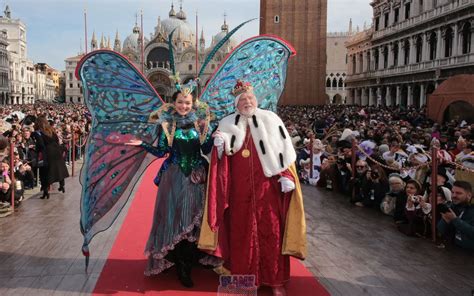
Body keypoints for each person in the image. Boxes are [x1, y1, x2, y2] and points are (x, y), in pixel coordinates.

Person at [198, 80, 306, 296]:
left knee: (272, 233)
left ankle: (275, 280)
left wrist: (286, 175)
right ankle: (244, 279)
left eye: (250, 98)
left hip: (268, 190)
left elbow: (284, 150)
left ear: (256, 100)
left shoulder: (271, 119)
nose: (247, 102)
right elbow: (219, 161)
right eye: (242, 100)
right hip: (239, 192)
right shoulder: (227, 123)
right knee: (240, 234)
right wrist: (219, 145)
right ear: (236, 104)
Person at [125, 88, 215, 288]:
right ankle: (180, 262)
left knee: (195, 218)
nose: (184, 106)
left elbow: (207, 149)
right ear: (174, 103)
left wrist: (212, 134)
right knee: (175, 218)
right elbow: (162, 151)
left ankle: (194, 257)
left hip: (197, 177)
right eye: (181, 102)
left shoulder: (202, 123)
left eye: (188, 103)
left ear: (193, 104)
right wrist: (143, 144)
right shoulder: (167, 124)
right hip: (174, 176)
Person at [33, 116, 69, 199]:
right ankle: (62, 185)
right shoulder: (51, 130)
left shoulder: (38, 132)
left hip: (48, 153)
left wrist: (37, 150)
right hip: (56, 151)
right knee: (59, 169)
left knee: (45, 172)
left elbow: (41, 145)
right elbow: (56, 140)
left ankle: (46, 192)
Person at [437, 181, 474, 250]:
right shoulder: (451, 206)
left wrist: (455, 220)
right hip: (453, 251)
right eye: (453, 192)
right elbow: (440, 231)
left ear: (469, 195)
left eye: (458, 193)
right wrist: (445, 220)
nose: (454, 195)